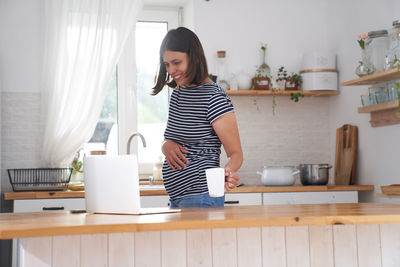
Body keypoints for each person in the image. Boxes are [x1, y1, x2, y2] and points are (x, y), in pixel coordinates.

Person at [152, 27, 243, 207]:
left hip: (202, 196)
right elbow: (171, 138)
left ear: (193, 58)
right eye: (167, 64)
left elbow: (236, 154)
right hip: (177, 197)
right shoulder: (178, 94)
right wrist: (165, 145)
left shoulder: (214, 97)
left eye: (176, 62)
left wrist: (226, 174)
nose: (171, 69)